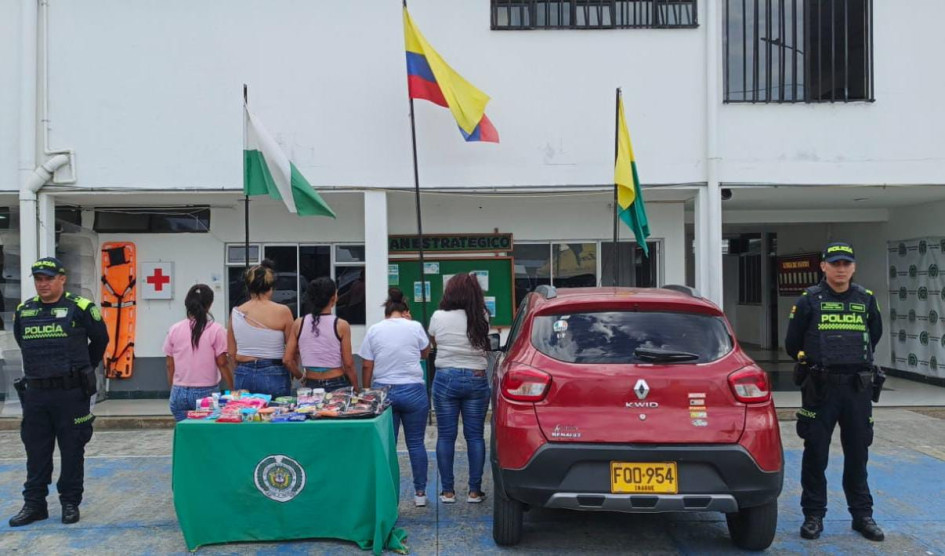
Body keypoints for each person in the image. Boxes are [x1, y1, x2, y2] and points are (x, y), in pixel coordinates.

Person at [785, 242, 884, 542]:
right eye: (835, 263)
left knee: (858, 452)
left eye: (846, 264)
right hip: (820, 388)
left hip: (857, 388)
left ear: (853, 268)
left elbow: (874, 335)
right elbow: (793, 344)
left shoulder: (866, 299)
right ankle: (814, 515)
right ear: (824, 267)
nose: (841, 269)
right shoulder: (808, 300)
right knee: (815, 452)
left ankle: (862, 515)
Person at [9, 257, 109, 527]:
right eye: (39, 279)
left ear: (62, 279)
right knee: (36, 451)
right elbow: (22, 341)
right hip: (36, 394)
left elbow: (101, 339)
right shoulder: (25, 310)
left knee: (72, 449)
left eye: (48, 278)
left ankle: (69, 503)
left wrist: (83, 368)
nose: (43, 284)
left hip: (71, 394)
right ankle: (34, 505)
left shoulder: (81, 308)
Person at [359, 288, 431, 507]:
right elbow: (426, 353)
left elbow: (366, 364)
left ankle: (389, 494)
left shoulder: (374, 330)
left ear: (387, 313)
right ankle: (420, 494)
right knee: (416, 443)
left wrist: (366, 390)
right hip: (414, 390)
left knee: (387, 445)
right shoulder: (415, 326)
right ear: (405, 311)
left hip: (385, 391)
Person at [428, 273, 491, 504]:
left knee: (446, 436)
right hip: (476, 376)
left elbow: (435, 343)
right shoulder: (482, 315)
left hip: (446, 376)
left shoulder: (438, 316)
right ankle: (474, 492)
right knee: (475, 436)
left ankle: (448, 492)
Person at [227, 260, 299, 398]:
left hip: (243, 372)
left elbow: (231, 353)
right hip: (274, 371)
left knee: (245, 416)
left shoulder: (236, 312)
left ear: (248, 287)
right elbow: (292, 350)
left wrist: (239, 371)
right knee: (276, 415)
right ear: (270, 288)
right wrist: (296, 374)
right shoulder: (283, 311)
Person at [164, 284, 233, 421]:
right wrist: (232, 388)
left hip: (179, 391)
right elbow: (222, 362)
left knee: (186, 433)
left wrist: (174, 388)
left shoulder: (174, 329)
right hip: (206, 393)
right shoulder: (216, 330)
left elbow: (169, 364)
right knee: (206, 435)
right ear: (210, 305)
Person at [284, 277, 357, 392]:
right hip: (336, 381)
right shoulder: (341, 325)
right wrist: (356, 389)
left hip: (310, 382)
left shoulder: (299, 323)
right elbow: (348, 364)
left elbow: (287, 360)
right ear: (333, 299)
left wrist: (300, 377)